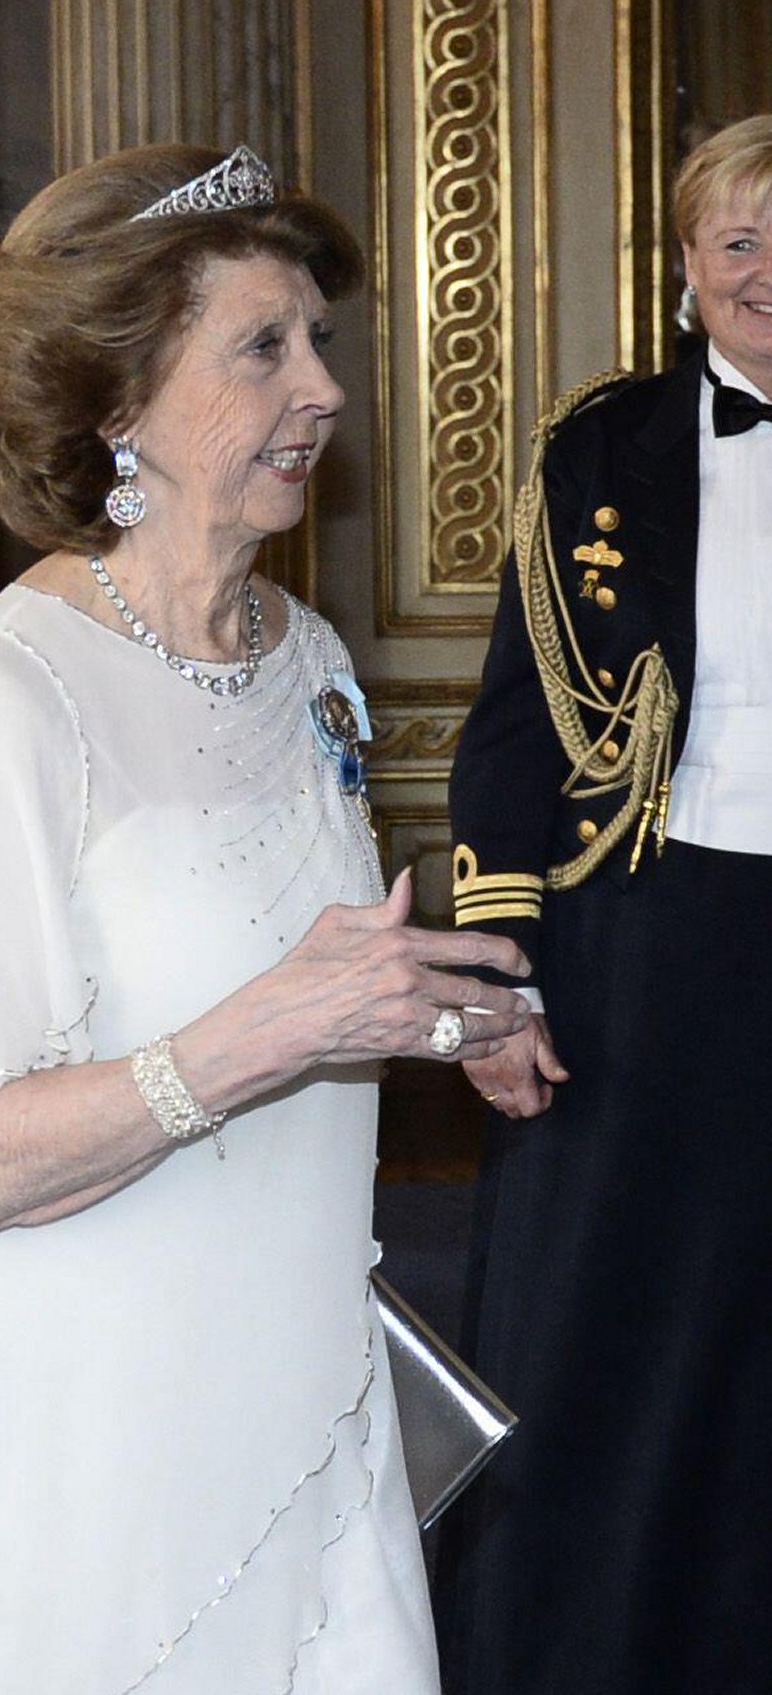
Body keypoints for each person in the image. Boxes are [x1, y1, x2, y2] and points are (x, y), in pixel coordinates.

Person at [0, 143, 532, 1695]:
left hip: (289, 1358)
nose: (321, 388)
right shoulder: (20, 688)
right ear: (121, 402)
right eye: (263, 346)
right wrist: (275, 1029)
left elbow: (298, 954)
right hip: (77, 1420)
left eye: (318, 340)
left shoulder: (308, 651)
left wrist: (445, 1015)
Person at [438, 113, 772, 1695]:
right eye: (740, 241)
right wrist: (497, 973)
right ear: (689, 265)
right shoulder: (602, 441)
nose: (768, 274)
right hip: (642, 930)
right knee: (607, 1325)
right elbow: (514, 721)